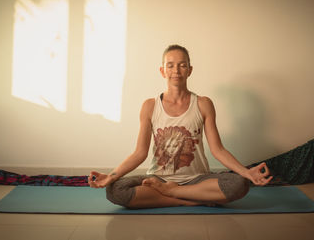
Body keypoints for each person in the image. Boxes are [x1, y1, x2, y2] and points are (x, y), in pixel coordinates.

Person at [88, 44, 273, 208]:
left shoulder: (203, 104)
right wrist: (111, 176)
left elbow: (218, 150)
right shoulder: (150, 106)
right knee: (115, 190)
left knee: (239, 184)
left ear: (189, 70)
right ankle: (185, 198)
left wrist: (246, 172)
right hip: (158, 179)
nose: (176, 70)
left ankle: (172, 193)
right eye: (170, 65)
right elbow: (140, 153)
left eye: (182, 65)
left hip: (198, 180)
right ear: (162, 71)